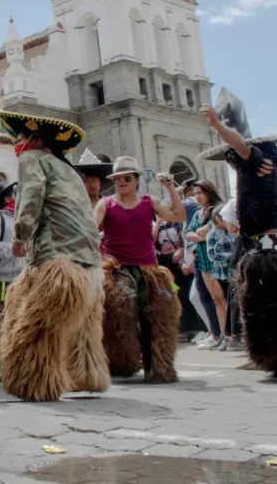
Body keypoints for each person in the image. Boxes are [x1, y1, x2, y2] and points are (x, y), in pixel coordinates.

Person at [200, 94, 277, 377]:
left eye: (230, 157)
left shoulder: (255, 162)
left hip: (272, 248)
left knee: (273, 306)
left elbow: (241, 146)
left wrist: (218, 126)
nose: (230, 162)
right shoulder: (266, 167)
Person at [0, 109, 109, 402]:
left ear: (33, 140)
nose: (17, 143)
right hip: (91, 262)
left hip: (57, 259)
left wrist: (20, 237)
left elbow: (30, 198)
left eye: (20, 137)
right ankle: (88, 375)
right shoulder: (69, 169)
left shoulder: (33, 159)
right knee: (84, 326)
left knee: (39, 325)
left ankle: (35, 382)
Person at [95, 158, 185, 383]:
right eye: (117, 179)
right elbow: (90, 227)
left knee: (161, 312)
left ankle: (157, 364)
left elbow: (178, 216)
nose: (122, 182)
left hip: (150, 269)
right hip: (117, 270)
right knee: (123, 309)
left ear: (136, 180)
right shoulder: (106, 204)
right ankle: (121, 361)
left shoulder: (149, 201)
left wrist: (171, 189)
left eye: (127, 178)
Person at [183, 181, 232, 351]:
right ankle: (220, 334)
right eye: (195, 193)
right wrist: (199, 236)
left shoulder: (218, 209)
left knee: (221, 297)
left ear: (208, 192)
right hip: (203, 258)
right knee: (213, 298)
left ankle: (228, 334)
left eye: (199, 193)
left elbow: (207, 231)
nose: (196, 196)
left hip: (217, 259)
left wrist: (200, 234)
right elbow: (189, 233)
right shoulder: (198, 213)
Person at [0, 180, 24, 315]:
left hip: (20, 280)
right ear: (7, 199)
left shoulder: (21, 219)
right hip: (1, 281)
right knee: (0, 318)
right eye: (14, 194)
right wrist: (12, 249)